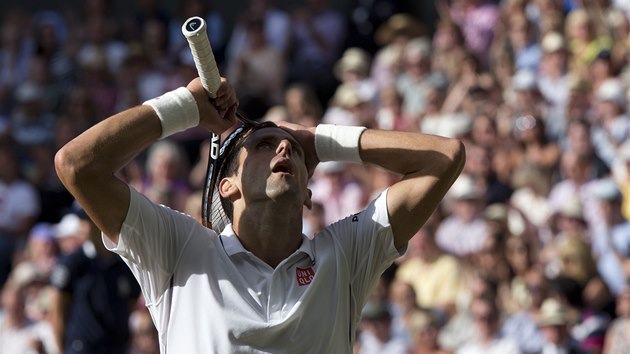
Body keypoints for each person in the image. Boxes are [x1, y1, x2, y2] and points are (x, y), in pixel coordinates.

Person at [54, 73, 465, 353]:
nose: (284, 148)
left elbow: (446, 156)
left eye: (294, 152)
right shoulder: (177, 249)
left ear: (307, 192)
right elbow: (77, 165)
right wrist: (184, 108)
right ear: (226, 186)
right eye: (265, 145)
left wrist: (319, 140)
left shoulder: (346, 254)